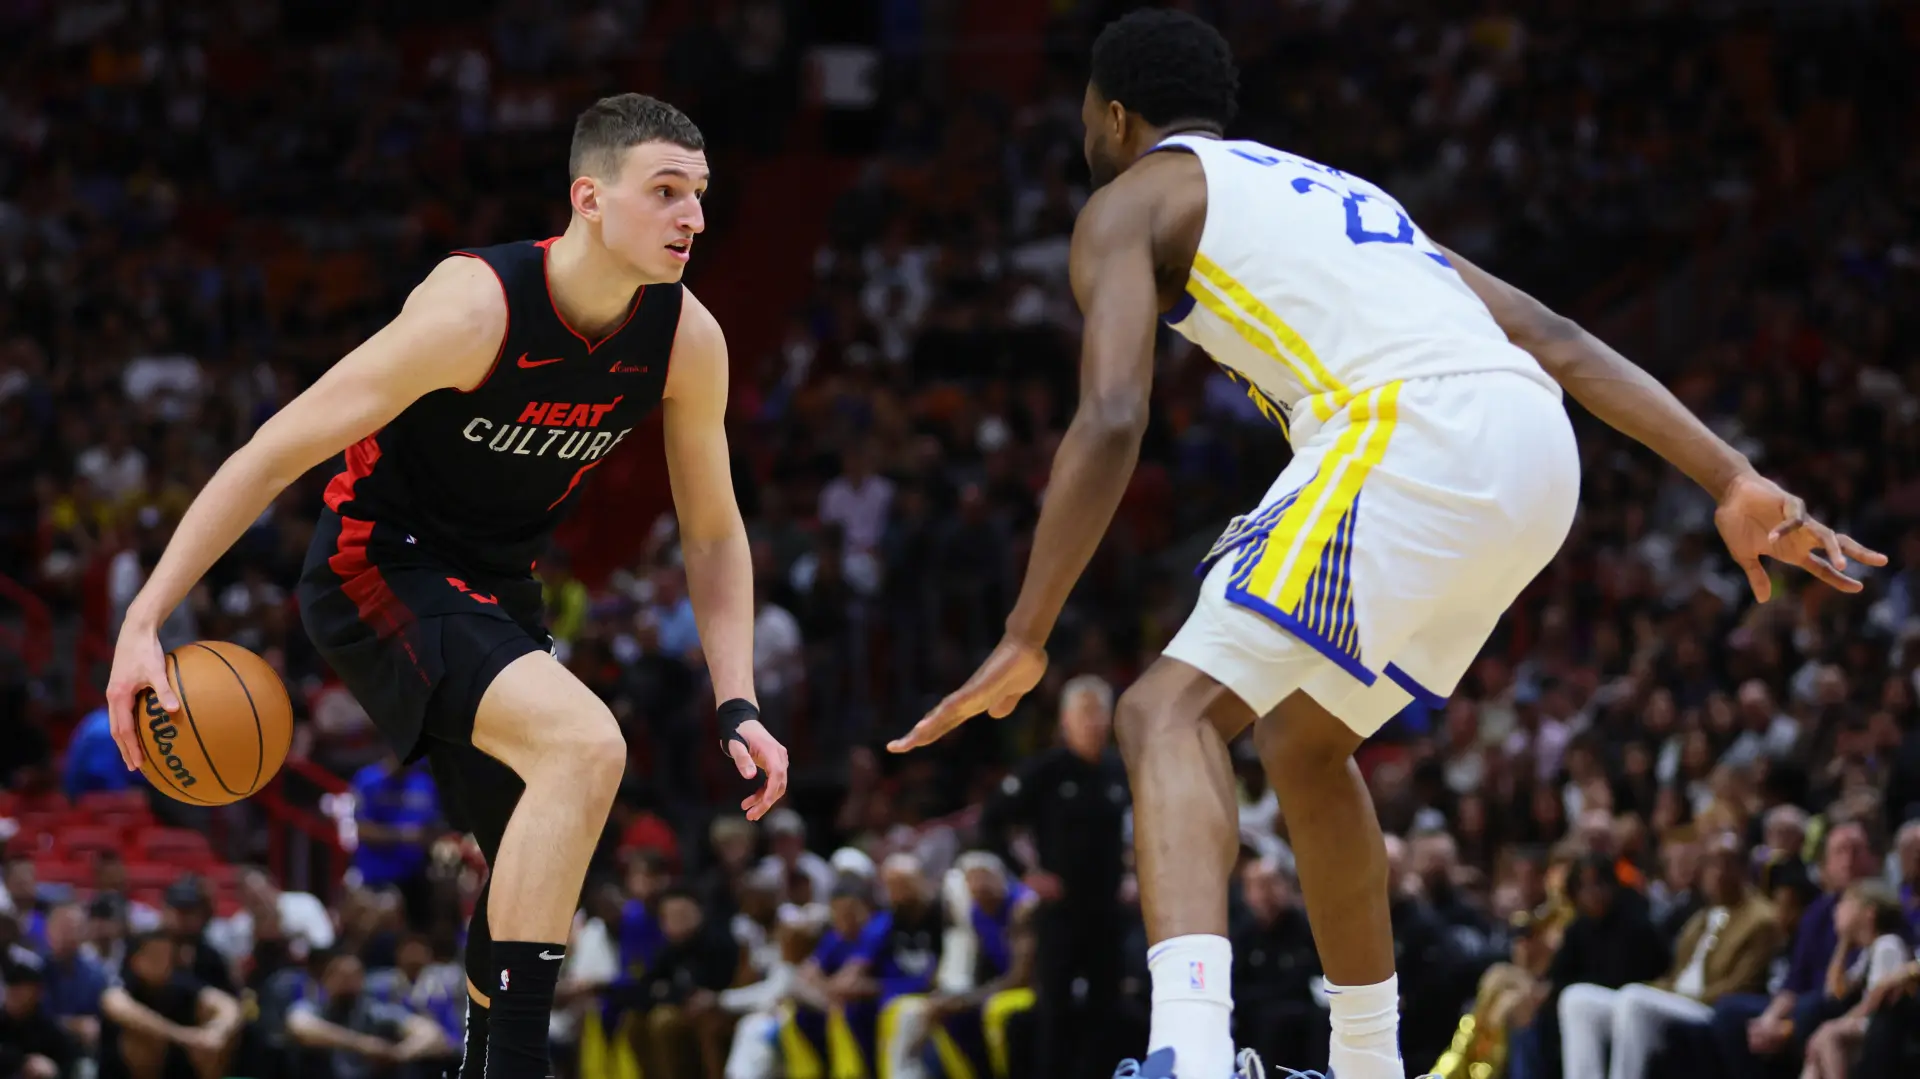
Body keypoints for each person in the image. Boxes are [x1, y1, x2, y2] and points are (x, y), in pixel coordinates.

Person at [887, 9, 1885, 1079]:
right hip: (1535, 449)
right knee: (1307, 743)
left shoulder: (1134, 196)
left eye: (1090, 116)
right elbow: (1555, 338)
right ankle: (1368, 1062)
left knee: (1162, 712)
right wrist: (1727, 476)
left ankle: (1188, 1051)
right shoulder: (1347, 194)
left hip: (1409, 427)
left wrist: (1027, 630)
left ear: (1118, 116)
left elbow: (1114, 414)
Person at [99, 93, 790, 1079]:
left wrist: (739, 698)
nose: (695, 217)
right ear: (589, 199)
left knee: (540, 853)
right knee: (588, 739)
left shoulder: (687, 340)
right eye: (668, 192)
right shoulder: (475, 309)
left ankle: (479, 1055)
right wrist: (142, 619)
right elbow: (273, 449)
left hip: (499, 587)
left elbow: (715, 533)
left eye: (703, 194)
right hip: (379, 561)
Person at [975, 674, 1128, 1079]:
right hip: (1060, 911)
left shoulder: (1118, 771)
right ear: (1065, 721)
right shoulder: (1046, 771)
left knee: (1106, 1010)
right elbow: (991, 823)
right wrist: (1027, 874)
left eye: (1100, 714)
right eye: (1085, 715)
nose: (1094, 723)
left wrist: (1132, 871)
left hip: (1108, 911)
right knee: (1054, 1010)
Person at [1558, 835, 1782, 1079]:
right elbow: (1674, 975)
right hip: (1677, 999)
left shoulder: (1760, 920)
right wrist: (1654, 989)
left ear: (1742, 869)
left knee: (1634, 999)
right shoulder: (1699, 919)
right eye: (1710, 864)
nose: (1716, 873)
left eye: (1725, 863)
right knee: (1577, 998)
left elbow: (1741, 985)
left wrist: (1665, 993)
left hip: (1709, 1007)